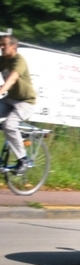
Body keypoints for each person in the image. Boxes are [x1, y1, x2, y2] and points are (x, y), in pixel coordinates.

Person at [0, 35, 37, 176]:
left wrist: (1, 90)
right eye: (0, 45)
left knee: (9, 125)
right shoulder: (3, 60)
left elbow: (12, 79)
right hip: (10, 99)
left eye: (4, 45)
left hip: (26, 102)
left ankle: (23, 160)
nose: (1, 47)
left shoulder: (19, 60)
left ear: (13, 47)